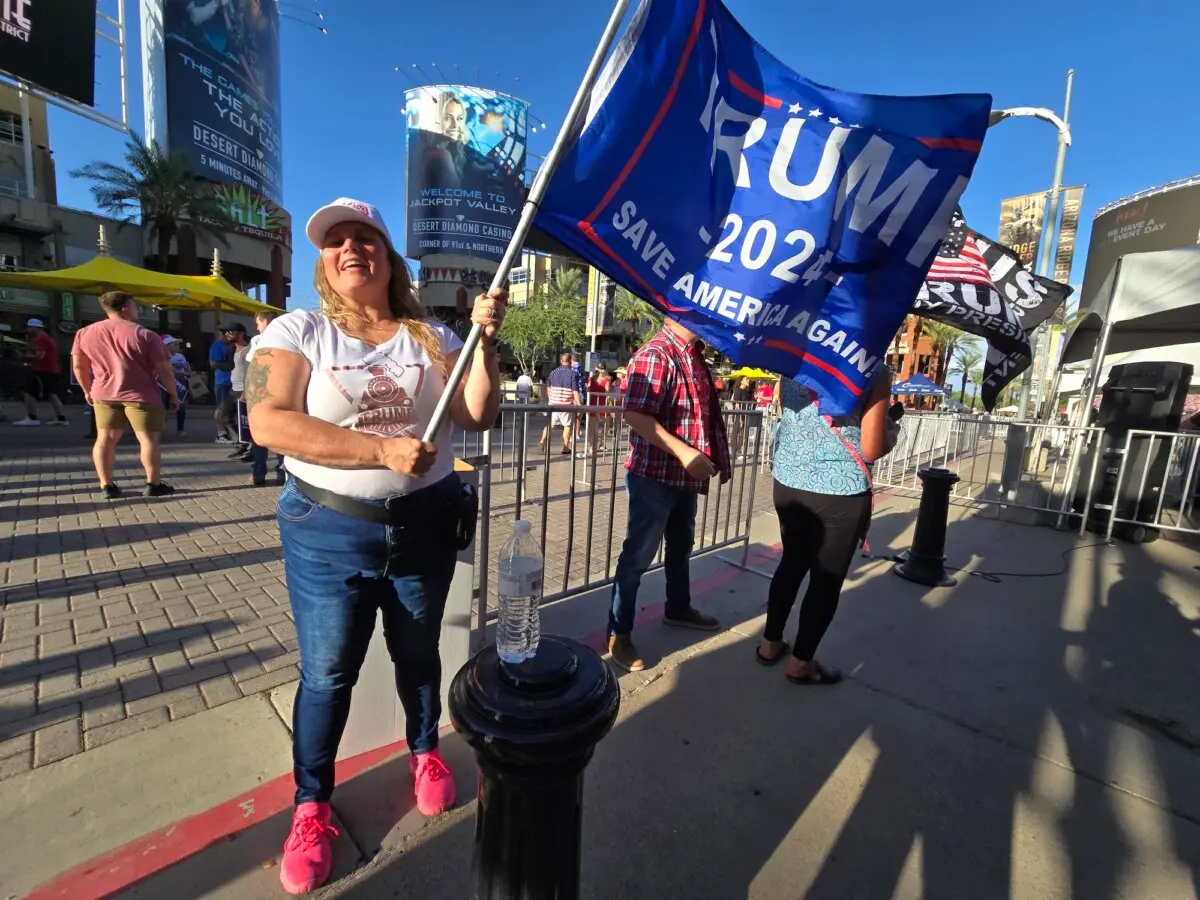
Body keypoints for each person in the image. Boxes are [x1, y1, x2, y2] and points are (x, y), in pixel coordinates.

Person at [245, 197, 505, 895]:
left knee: (419, 653)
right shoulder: (297, 332)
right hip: (328, 531)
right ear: (324, 263)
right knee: (329, 673)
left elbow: (478, 414)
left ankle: (424, 751)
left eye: (366, 238)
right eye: (336, 241)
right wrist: (379, 450)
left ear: (390, 258)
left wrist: (483, 344)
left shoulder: (431, 336)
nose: (351, 248)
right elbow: (268, 422)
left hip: (425, 522)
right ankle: (311, 804)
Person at [757, 367, 897, 684]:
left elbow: (787, 413)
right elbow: (873, 446)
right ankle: (801, 663)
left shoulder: (794, 357)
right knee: (825, 581)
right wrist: (892, 432)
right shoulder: (873, 368)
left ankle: (769, 644)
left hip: (789, 480)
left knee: (791, 564)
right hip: (840, 489)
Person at [607, 319, 731, 672]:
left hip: (681, 478)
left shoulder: (691, 354)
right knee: (637, 557)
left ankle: (678, 608)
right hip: (655, 476)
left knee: (681, 546)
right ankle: (619, 633)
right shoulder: (658, 353)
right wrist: (686, 453)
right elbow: (634, 414)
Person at [71, 292, 180, 499]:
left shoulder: (84, 333)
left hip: (104, 393)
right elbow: (164, 368)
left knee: (105, 439)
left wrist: (87, 389)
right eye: (135, 305)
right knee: (148, 440)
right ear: (125, 308)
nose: (137, 309)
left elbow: (79, 365)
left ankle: (107, 486)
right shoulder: (145, 335)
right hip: (142, 394)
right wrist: (173, 394)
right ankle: (152, 484)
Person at [247, 308, 284, 486]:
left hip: (262, 391)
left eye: (258, 323)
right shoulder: (286, 336)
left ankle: (258, 473)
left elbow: (252, 364)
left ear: (265, 322)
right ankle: (282, 472)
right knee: (282, 434)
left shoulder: (258, 340)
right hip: (283, 390)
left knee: (260, 434)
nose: (257, 328)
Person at [13, 318, 68, 427]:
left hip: (43, 370)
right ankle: (61, 418)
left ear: (35, 327)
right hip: (51, 370)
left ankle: (32, 418)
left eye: (29, 327)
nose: (28, 329)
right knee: (52, 394)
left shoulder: (40, 338)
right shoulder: (45, 337)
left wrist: (23, 356)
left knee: (28, 392)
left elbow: (39, 357)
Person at [220, 324, 252, 459]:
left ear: (241, 334)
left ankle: (251, 450)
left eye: (230, 332)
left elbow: (252, 371)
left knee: (246, 422)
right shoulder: (232, 350)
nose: (227, 334)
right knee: (223, 416)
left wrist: (247, 390)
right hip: (233, 389)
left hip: (244, 390)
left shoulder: (250, 349)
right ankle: (240, 444)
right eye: (226, 332)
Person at [540, 351, 581, 454]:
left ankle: (541, 441)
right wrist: (579, 405)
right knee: (567, 426)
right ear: (570, 361)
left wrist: (551, 399)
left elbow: (548, 387)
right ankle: (565, 447)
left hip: (553, 403)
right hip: (566, 405)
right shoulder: (573, 374)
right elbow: (575, 391)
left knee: (551, 424)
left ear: (561, 361)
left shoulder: (553, 372)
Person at [161, 335, 192, 436]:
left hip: (179, 386)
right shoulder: (161, 356)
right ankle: (161, 429)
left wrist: (186, 374)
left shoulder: (180, 357)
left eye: (178, 344)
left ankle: (180, 429)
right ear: (167, 346)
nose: (177, 346)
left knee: (181, 407)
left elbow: (188, 371)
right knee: (163, 407)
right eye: (175, 344)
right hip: (164, 385)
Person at [210, 326, 235, 443]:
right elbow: (213, 364)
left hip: (233, 382)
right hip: (222, 382)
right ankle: (221, 434)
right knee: (221, 408)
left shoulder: (231, 345)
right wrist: (229, 365)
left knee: (230, 410)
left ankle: (230, 433)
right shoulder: (217, 345)